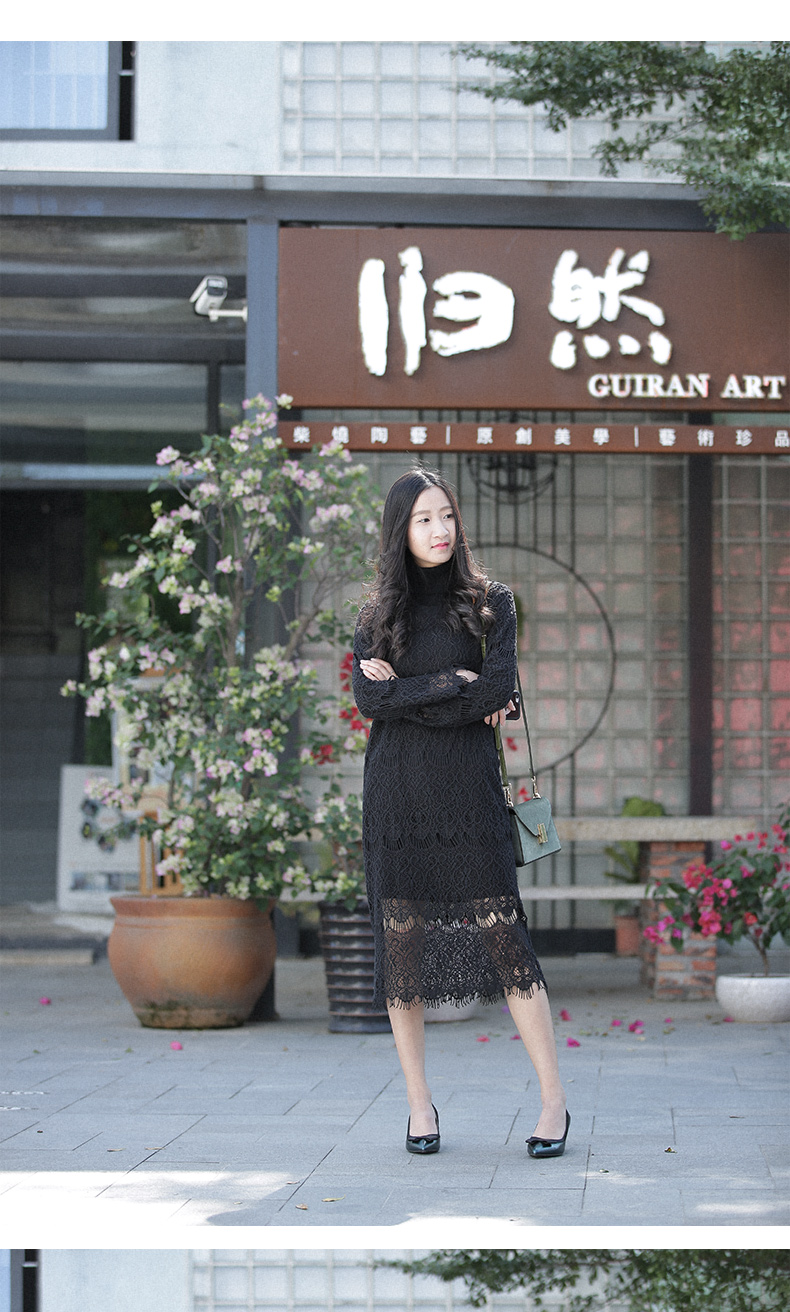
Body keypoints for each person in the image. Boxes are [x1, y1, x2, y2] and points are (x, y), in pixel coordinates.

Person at [352, 467, 569, 1158]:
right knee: (402, 949)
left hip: (470, 796)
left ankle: (554, 1103)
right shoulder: (375, 617)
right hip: (397, 798)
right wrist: (452, 682)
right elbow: (370, 701)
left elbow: (496, 692)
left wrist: (416, 692)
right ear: (400, 530)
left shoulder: (490, 603)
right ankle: (419, 1105)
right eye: (423, 519)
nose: (439, 529)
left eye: (446, 515)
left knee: (508, 942)